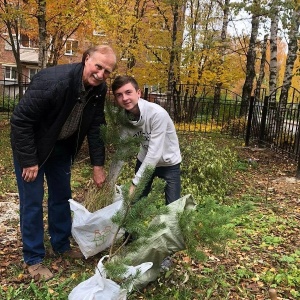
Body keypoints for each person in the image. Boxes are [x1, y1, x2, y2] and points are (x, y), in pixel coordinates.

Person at [10, 45, 117, 281]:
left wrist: (97, 166)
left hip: (61, 147)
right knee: (33, 200)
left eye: (107, 71)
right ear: (86, 59)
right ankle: (34, 258)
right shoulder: (54, 81)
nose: (100, 74)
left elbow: (97, 127)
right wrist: (29, 160)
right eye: (98, 66)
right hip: (32, 146)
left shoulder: (99, 90)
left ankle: (61, 244)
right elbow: (20, 121)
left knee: (62, 196)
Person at [111, 75, 181, 205]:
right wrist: (110, 182)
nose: (125, 98)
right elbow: (122, 150)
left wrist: (134, 184)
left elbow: (154, 154)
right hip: (144, 160)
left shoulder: (157, 114)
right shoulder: (124, 117)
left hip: (168, 163)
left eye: (128, 92)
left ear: (138, 93)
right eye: (119, 95)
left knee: (173, 207)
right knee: (134, 204)